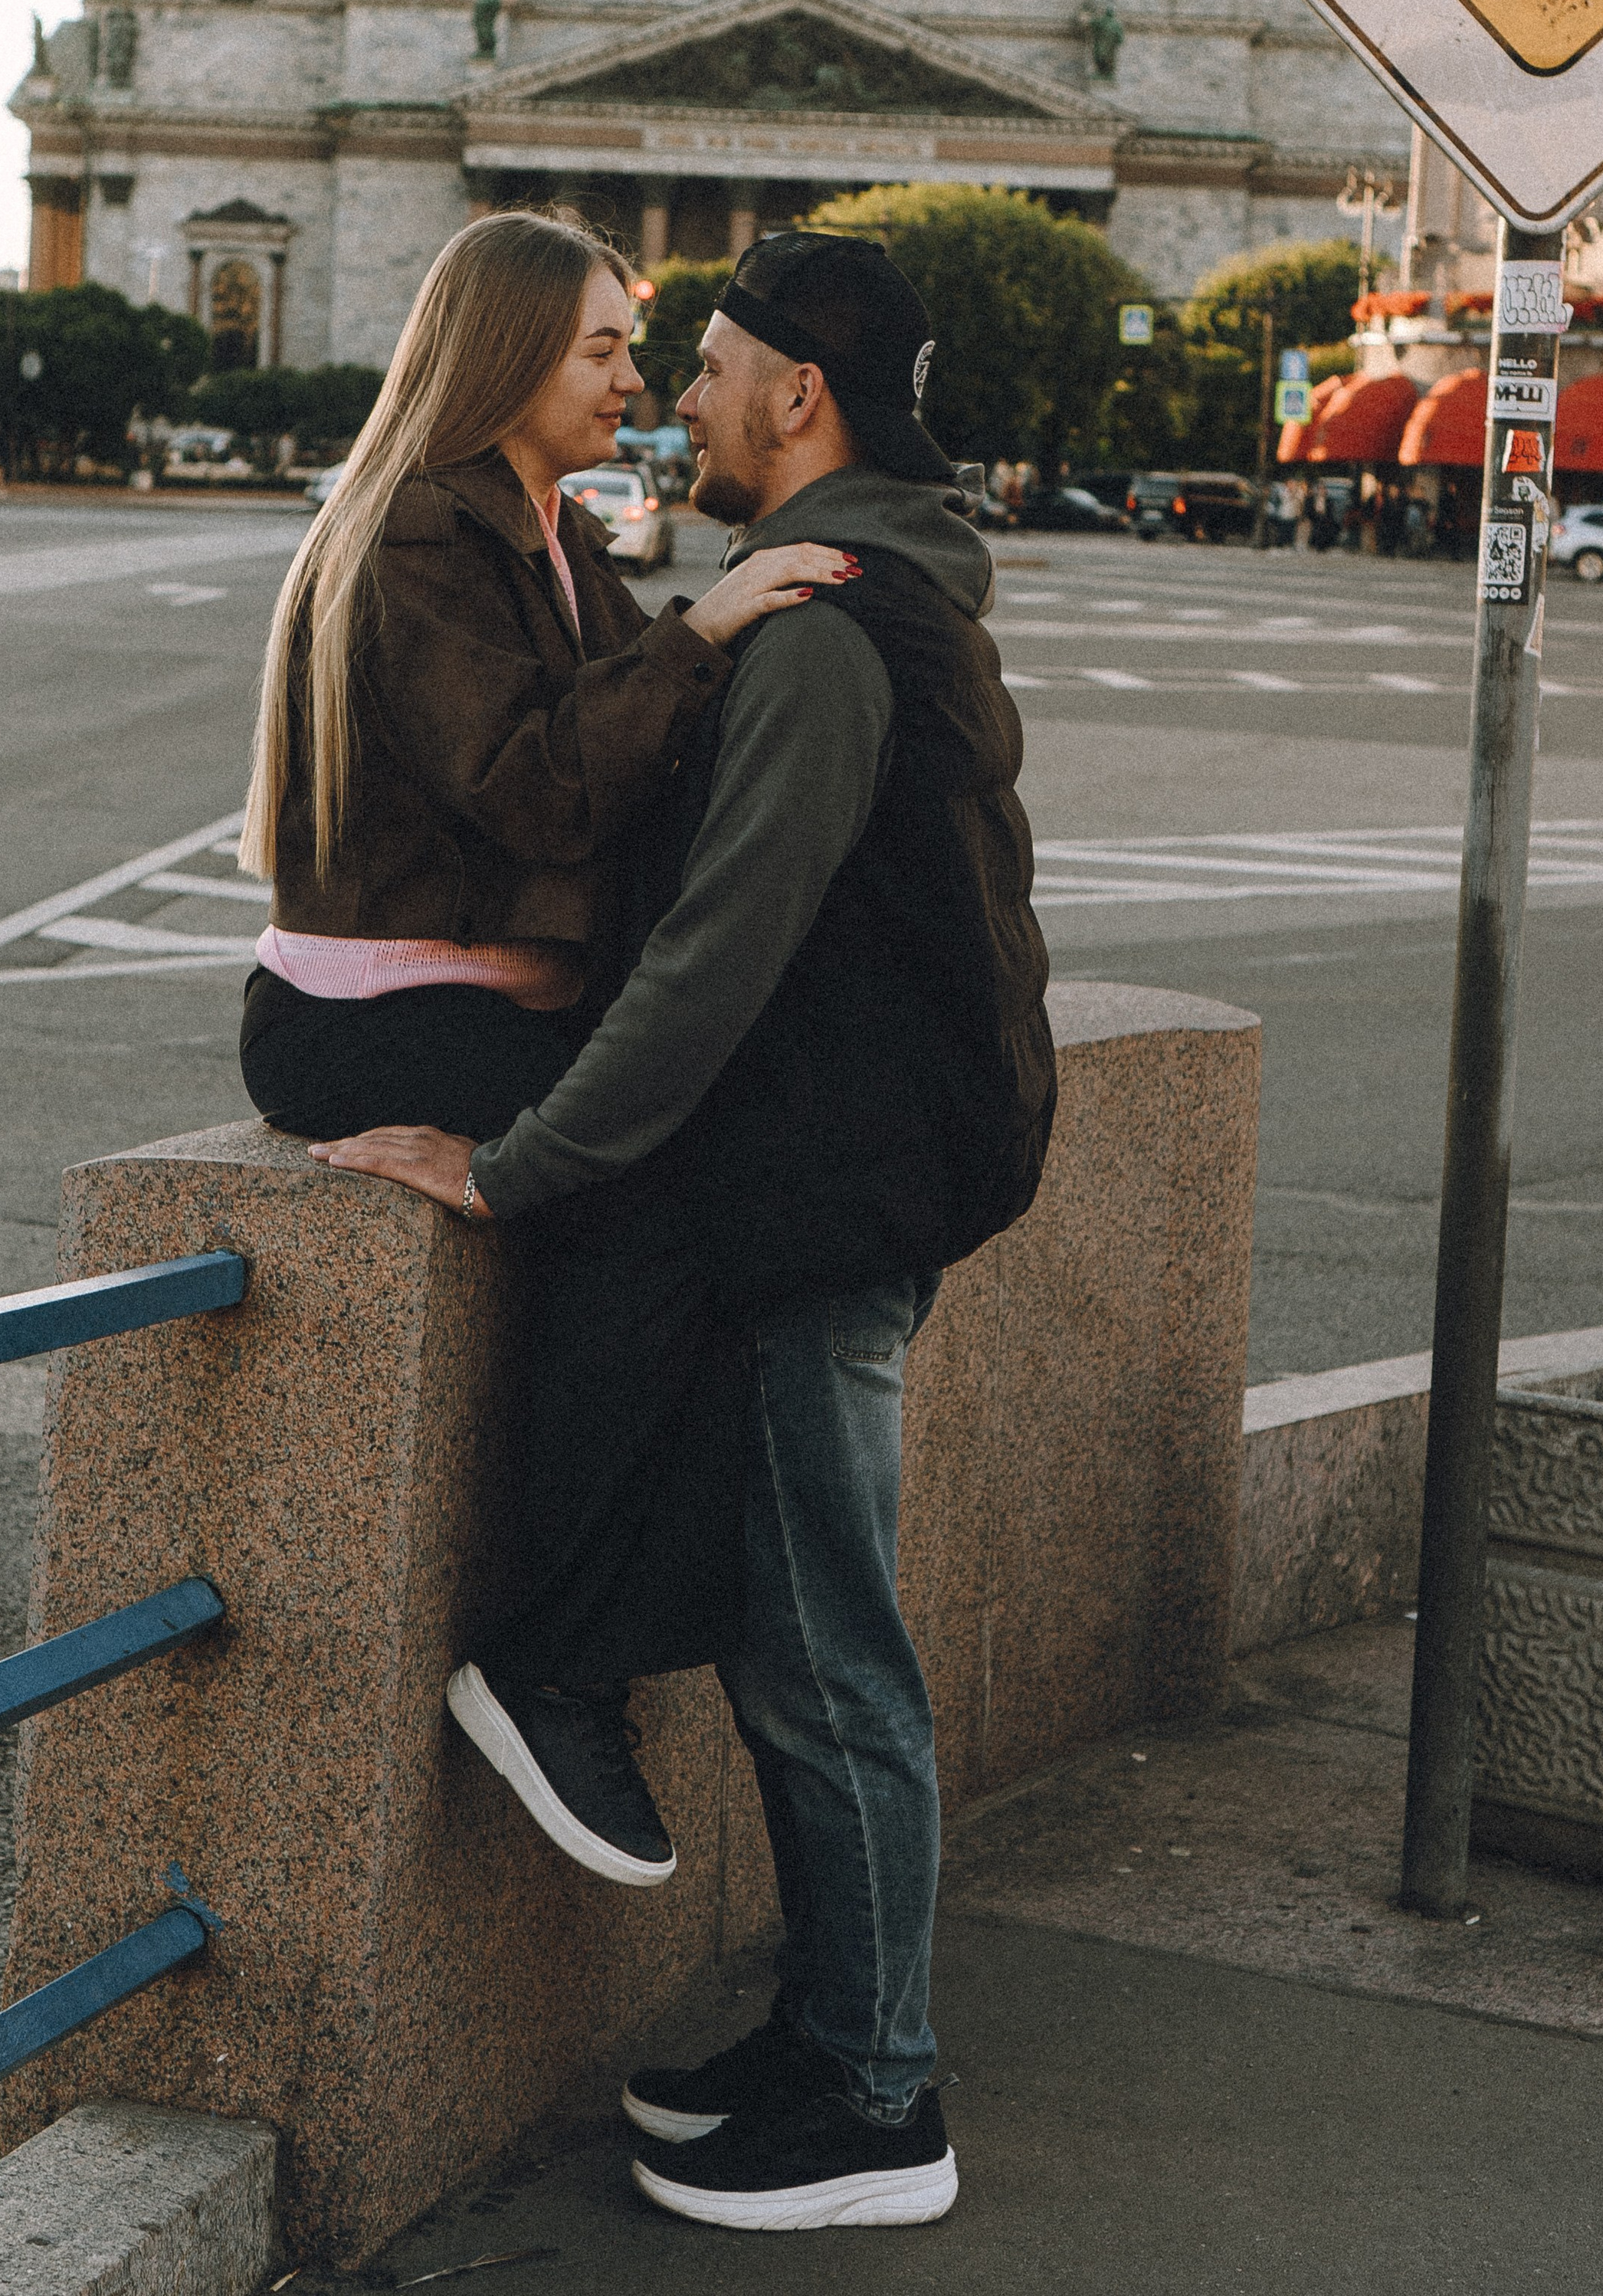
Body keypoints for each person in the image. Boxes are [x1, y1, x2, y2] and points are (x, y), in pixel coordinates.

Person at [312, 230, 1057, 2234]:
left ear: (794, 395)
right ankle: (832, 2040)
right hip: (837, 1174)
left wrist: (520, 1162)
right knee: (801, 1646)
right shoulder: (855, 591)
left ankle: (879, 2103)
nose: (680, 400)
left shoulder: (821, 625)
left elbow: (720, 960)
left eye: (706, 363)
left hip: (827, 1194)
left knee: (830, 1662)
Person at [237, 210, 851, 1750]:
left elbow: (651, 755)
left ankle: (609, 1633)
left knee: (715, 1163)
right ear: (506, 354)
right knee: (646, 1202)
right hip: (369, 1023)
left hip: (473, 1003)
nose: (633, 378)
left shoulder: (548, 527)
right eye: (600, 347)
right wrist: (706, 624)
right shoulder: (419, 532)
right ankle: (549, 1659)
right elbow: (536, 791)